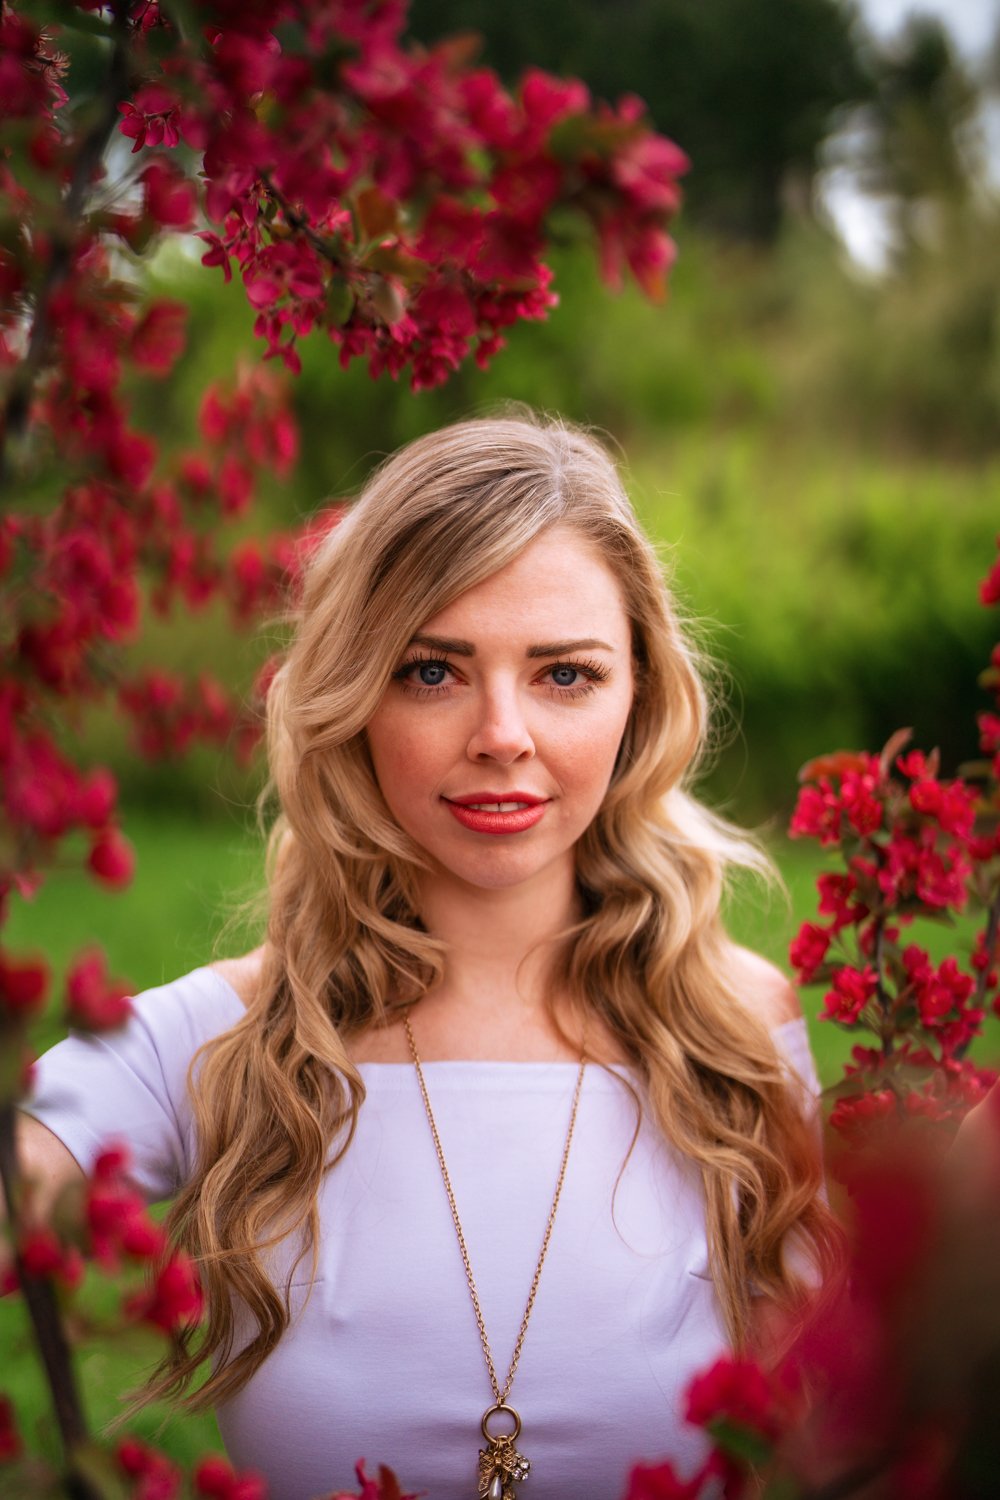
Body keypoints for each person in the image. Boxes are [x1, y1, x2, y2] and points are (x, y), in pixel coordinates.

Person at [16, 411, 839, 1500]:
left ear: (637, 692)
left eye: (565, 675)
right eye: (432, 672)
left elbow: (827, 1440)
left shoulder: (737, 1031)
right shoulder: (213, 1046)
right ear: (353, 697)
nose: (502, 732)